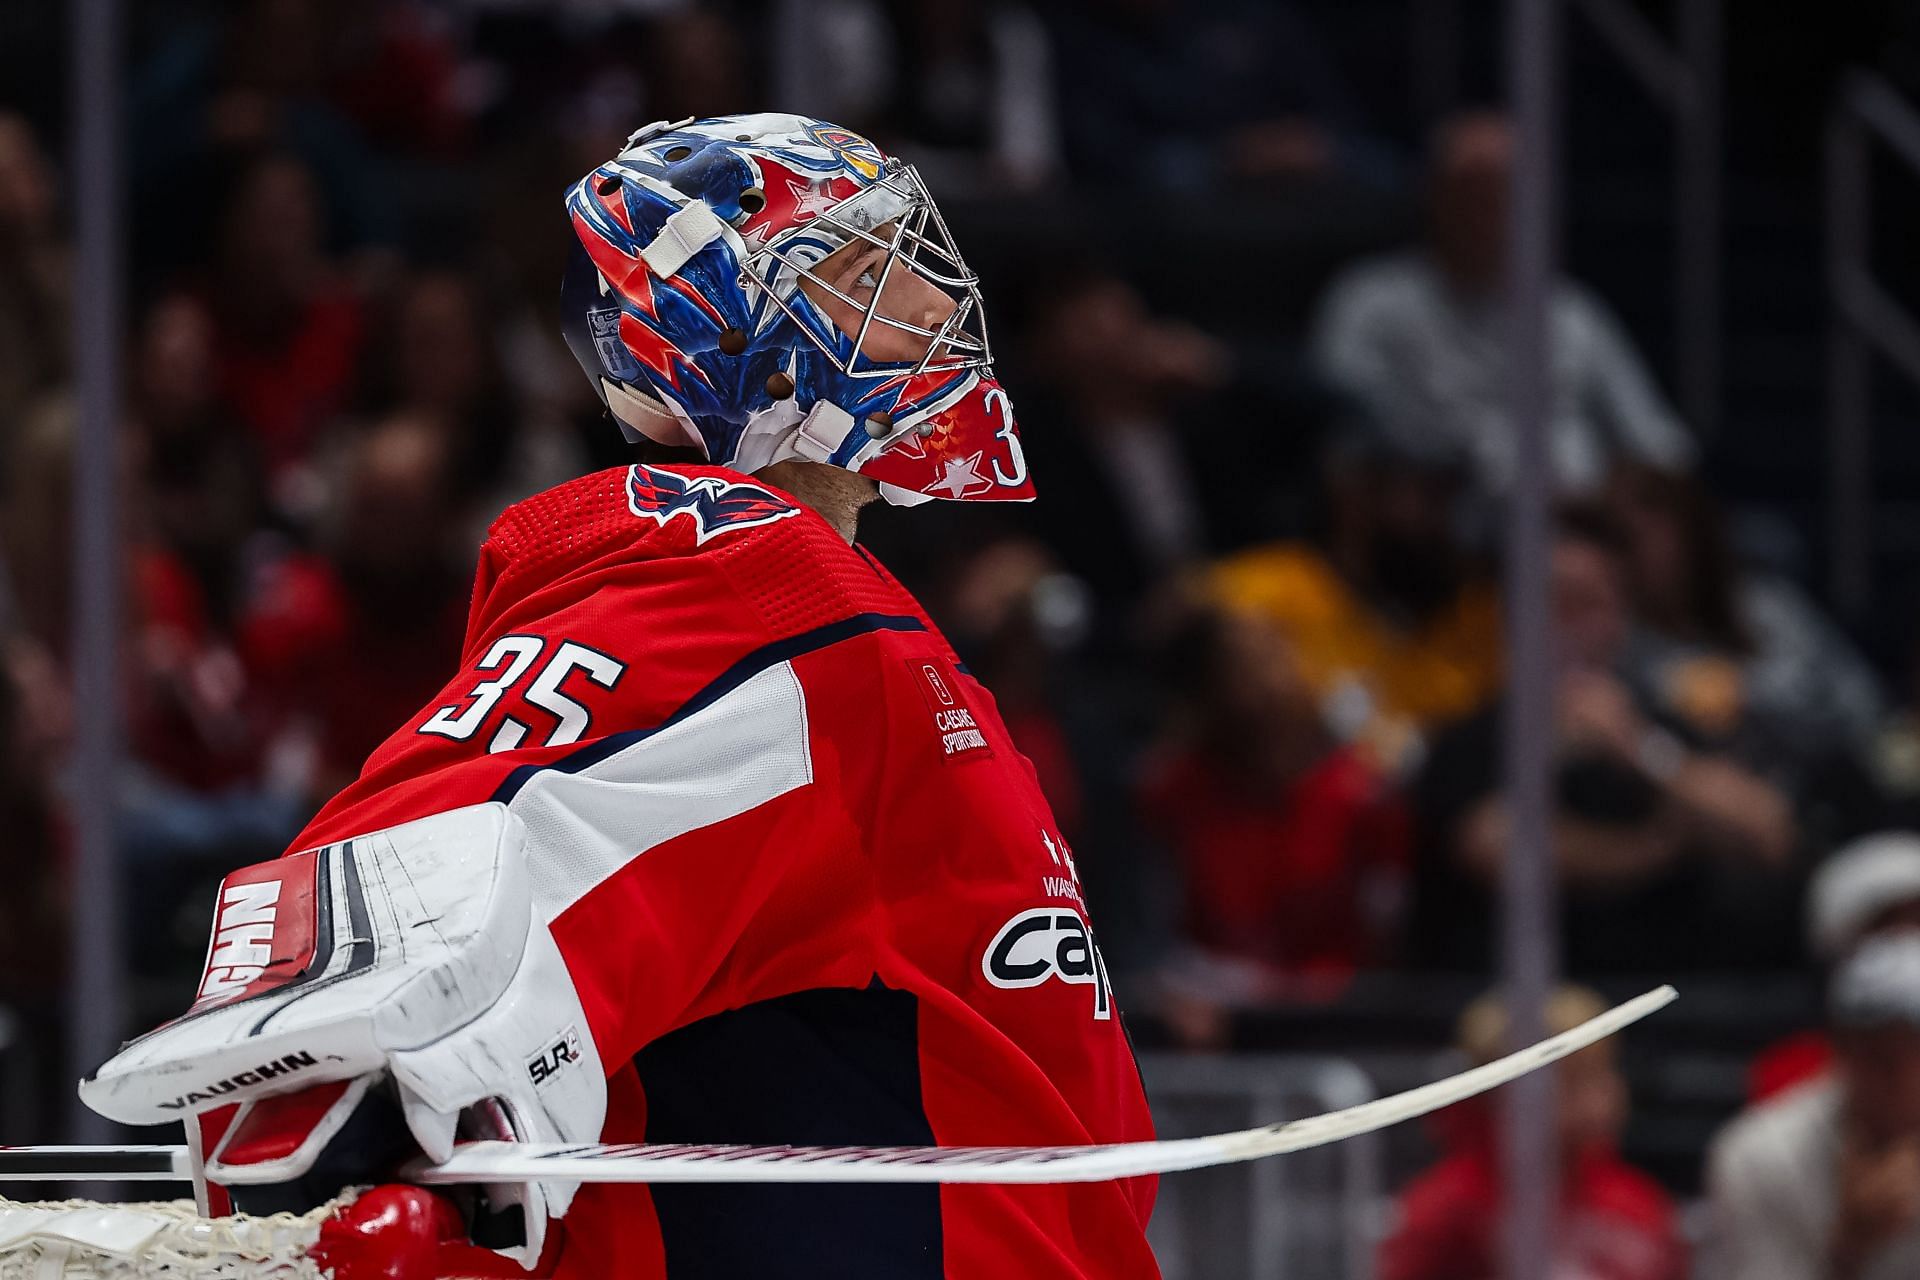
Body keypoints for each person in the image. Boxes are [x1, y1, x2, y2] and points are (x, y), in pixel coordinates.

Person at [83, 114, 1158, 1280]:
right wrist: (353, 1117)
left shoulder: (839, 608)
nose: (934, 309)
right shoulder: (742, 576)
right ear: (736, 335)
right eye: (866, 272)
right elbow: (432, 859)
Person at [1411, 506, 1799, 976]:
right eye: (1553, 604)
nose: (1569, 628)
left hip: (1662, 1007)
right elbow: (1496, 851)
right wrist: (1653, 848)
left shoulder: (1664, 729)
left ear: (1621, 615)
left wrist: (1639, 750)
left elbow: (1766, 833)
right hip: (1512, 1008)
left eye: (1589, 603)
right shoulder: (1469, 738)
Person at [1313, 112, 1694, 500]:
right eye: (1474, 193)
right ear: (1435, 196)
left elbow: (1657, 442)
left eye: (1508, 194)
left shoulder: (1571, 313)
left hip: (1575, 526)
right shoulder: (1369, 301)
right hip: (1433, 515)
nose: (1490, 213)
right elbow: (1346, 421)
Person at [1139, 604, 1407, 1017]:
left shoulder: (1359, 793)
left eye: (1270, 657)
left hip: (1341, 1018)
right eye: (1236, 665)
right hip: (1214, 1019)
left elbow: (1389, 930)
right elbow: (1155, 928)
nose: (1259, 684)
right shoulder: (1173, 790)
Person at [1211, 420, 1501, 775]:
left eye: (1456, 496)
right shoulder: (1255, 594)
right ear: (1354, 496)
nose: (1451, 523)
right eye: (1431, 495)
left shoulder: (1479, 612)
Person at [1378, 985, 1686, 1280]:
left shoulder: (1639, 1202)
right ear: (1504, 1091)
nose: (1605, 1093)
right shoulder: (1447, 1208)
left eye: (1605, 1070)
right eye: (1576, 1078)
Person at [1706, 930, 1920, 1280]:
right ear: (1839, 1048)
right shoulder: (1760, 1154)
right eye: (1877, 1054)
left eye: (1912, 1049)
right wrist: (1850, 1247)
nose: (1901, 1076)